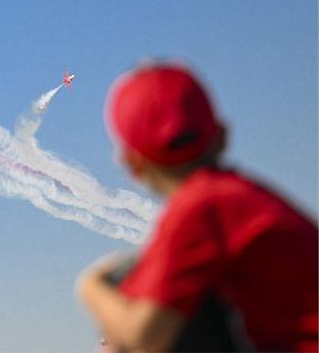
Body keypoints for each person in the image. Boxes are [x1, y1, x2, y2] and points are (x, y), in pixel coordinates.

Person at [77, 63, 318, 352]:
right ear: (221, 136)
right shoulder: (241, 196)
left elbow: (146, 337)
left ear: (132, 164)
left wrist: (91, 287)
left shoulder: (200, 206)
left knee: (122, 288)